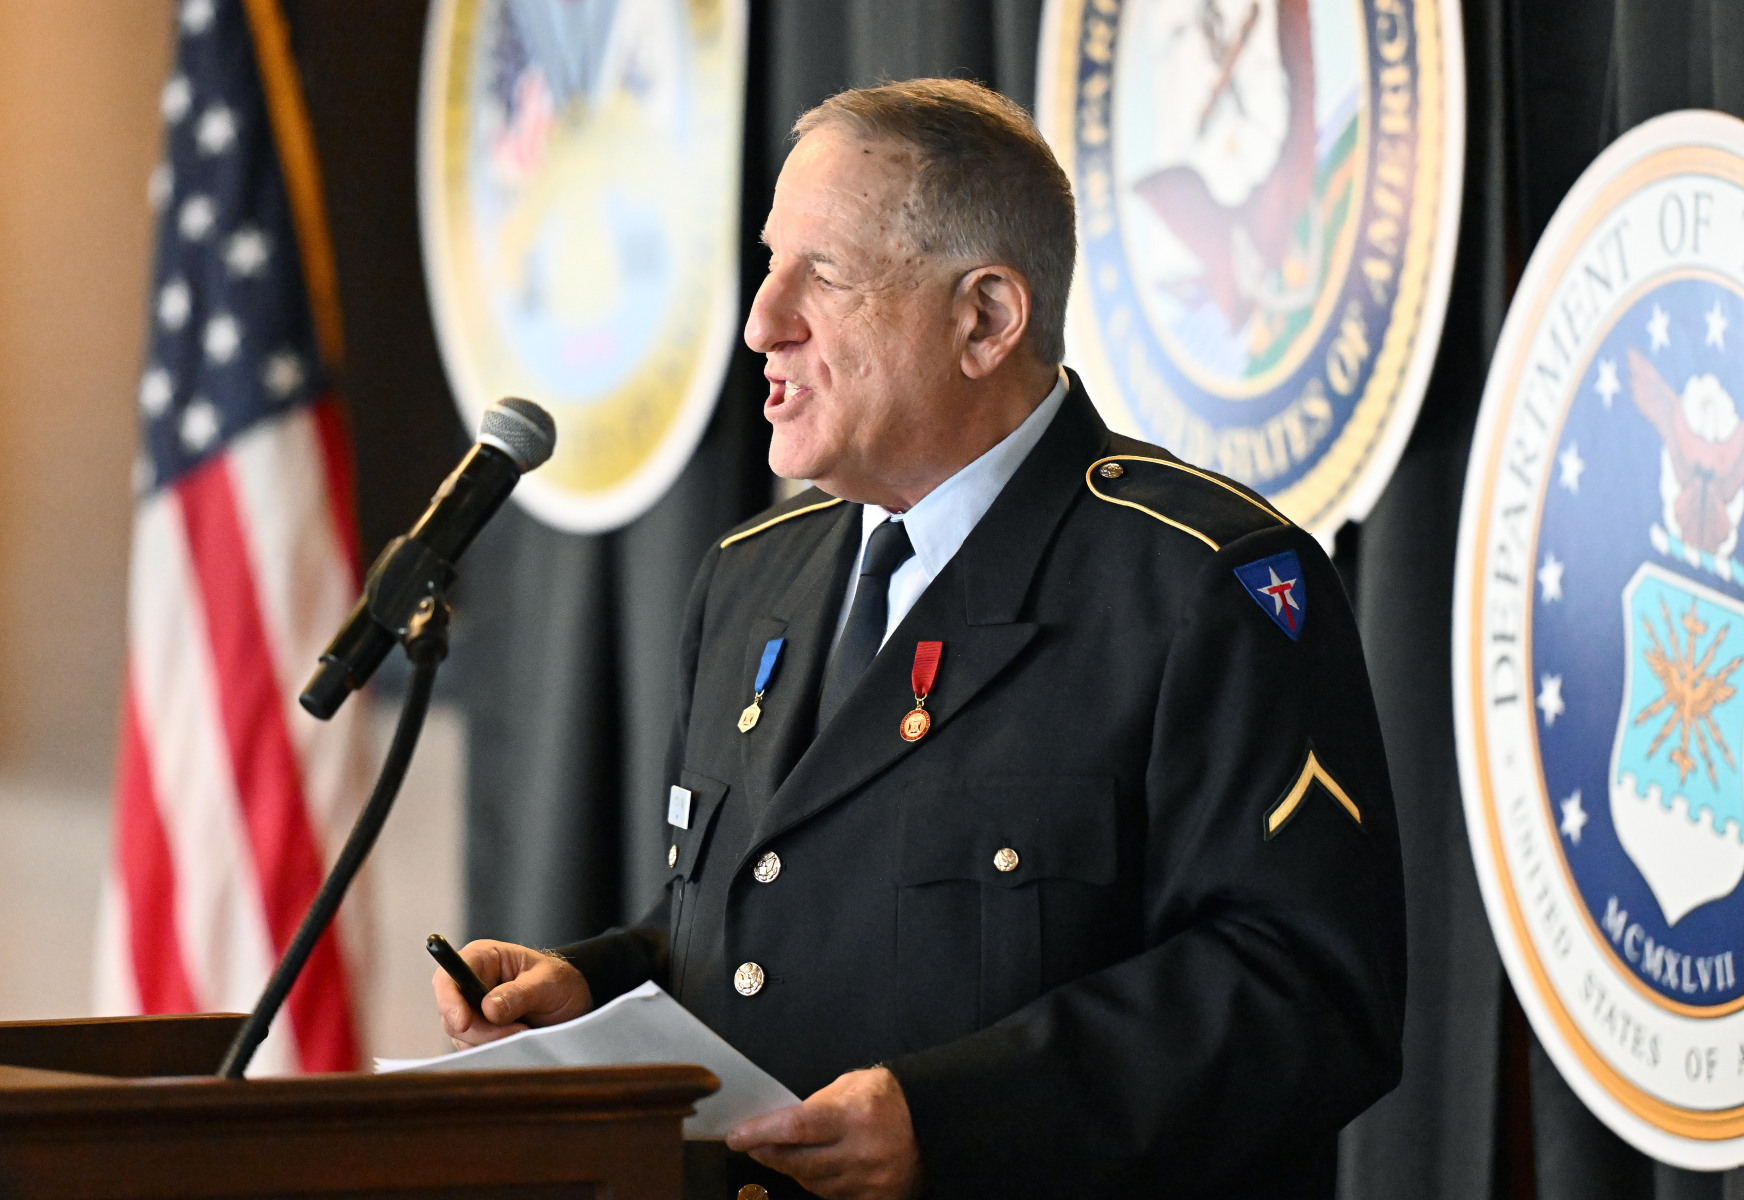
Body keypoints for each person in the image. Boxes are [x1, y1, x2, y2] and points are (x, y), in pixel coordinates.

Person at [434, 78, 1406, 1200]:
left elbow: (1307, 990)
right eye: (769, 263)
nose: (762, 321)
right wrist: (594, 989)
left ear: (984, 318)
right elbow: (776, 917)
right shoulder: (752, 576)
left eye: (824, 275)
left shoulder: (1200, 582)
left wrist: (956, 1121)